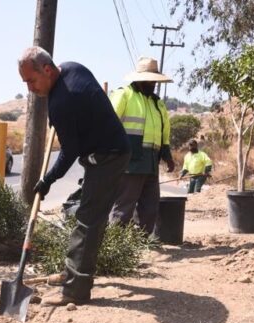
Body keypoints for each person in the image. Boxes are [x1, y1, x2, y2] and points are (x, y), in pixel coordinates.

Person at [18, 46, 131, 306]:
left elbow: (69, 152)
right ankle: (72, 274)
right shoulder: (71, 68)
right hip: (106, 150)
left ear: (47, 70)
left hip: (109, 156)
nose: (30, 88)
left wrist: (47, 180)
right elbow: (83, 109)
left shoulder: (62, 103)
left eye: (31, 81)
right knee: (88, 216)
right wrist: (60, 122)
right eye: (25, 83)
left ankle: (75, 290)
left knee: (88, 220)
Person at [108, 57, 175, 235]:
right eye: (150, 80)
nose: (153, 84)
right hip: (130, 162)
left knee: (150, 207)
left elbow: (164, 130)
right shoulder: (124, 95)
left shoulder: (157, 103)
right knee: (124, 207)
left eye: (154, 80)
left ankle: (139, 243)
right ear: (139, 78)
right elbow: (108, 124)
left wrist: (167, 154)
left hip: (151, 162)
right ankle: (116, 246)